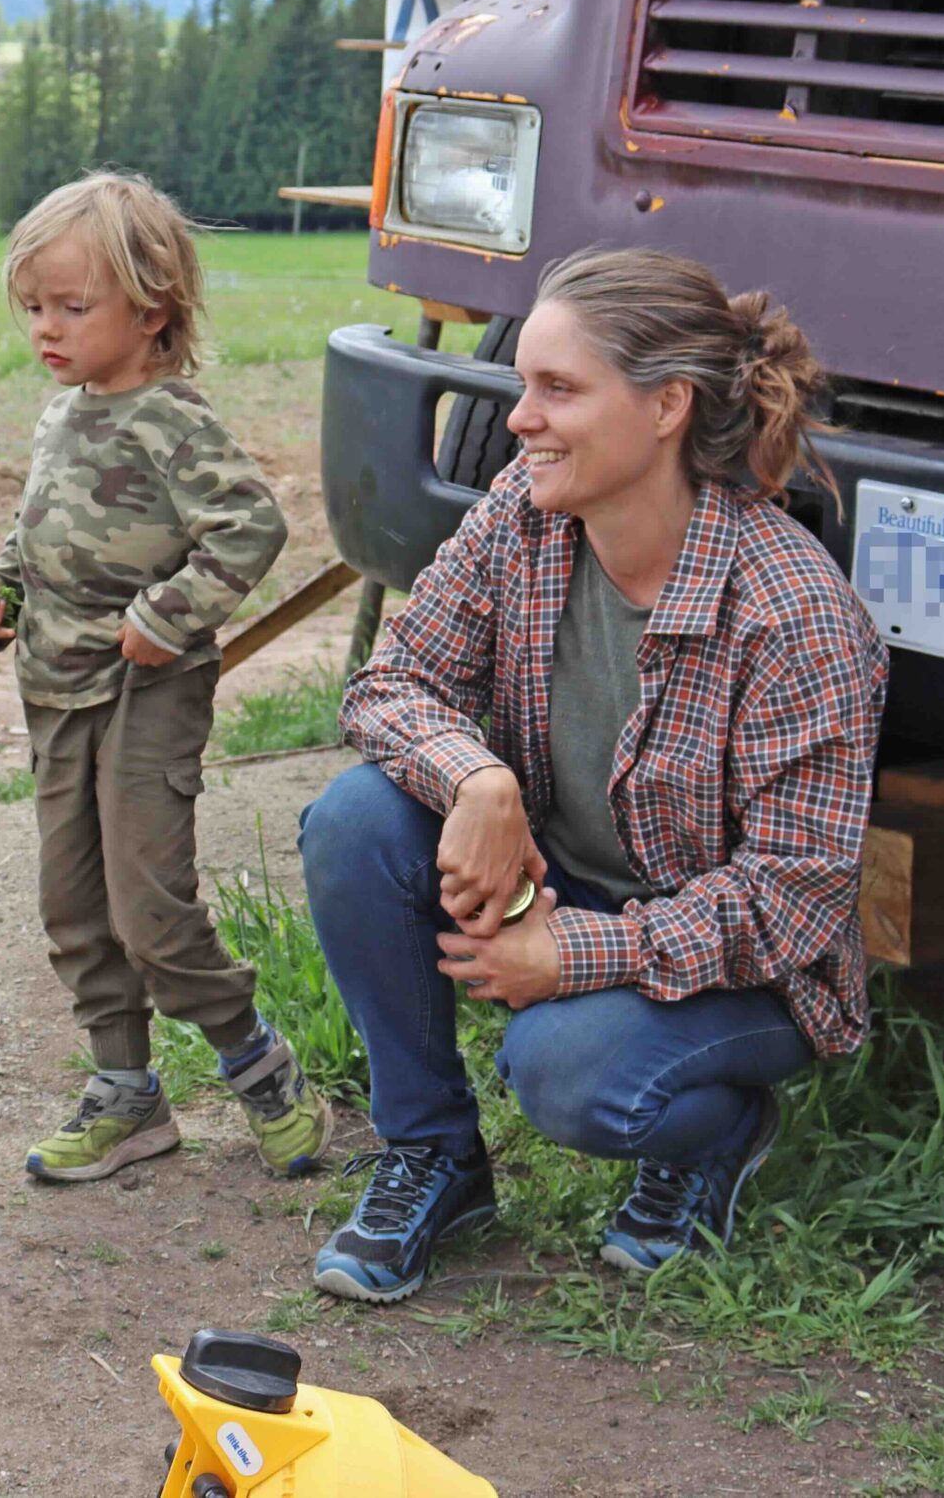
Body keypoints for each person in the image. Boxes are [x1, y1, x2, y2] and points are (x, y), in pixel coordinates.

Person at [299, 247, 887, 1303]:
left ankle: (718, 1128)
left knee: (565, 1070)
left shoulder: (794, 615)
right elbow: (386, 686)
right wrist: (480, 780)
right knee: (353, 820)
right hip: (570, 879)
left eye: (557, 388)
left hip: (747, 968)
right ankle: (434, 1155)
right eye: (523, 382)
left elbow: (794, 904)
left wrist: (573, 950)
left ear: (666, 406)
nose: (518, 417)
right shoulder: (520, 517)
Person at [0, 170, 332, 1184]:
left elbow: (253, 524)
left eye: (72, 306)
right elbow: (37, 532)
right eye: (32, 305)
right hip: (54, 686)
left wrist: (165, 617)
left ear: (151, 304)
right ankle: (127, 1093)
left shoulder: (172, 421)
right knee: (73, 907)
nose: (45, 327)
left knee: (151, 912)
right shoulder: (63, 414)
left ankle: (257, 1065)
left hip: (143, 693)